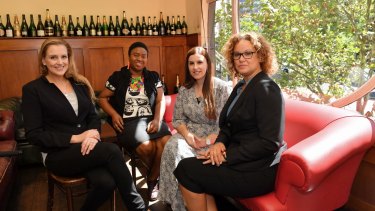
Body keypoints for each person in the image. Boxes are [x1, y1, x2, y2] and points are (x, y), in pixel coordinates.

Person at [21, 38, 146, 211]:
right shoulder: (33, 90)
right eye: (53, 57)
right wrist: (78, 137)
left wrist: (93, 134)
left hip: (87, 148)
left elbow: (93, 117)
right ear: (43, 60)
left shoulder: (79, 84)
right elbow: (34, 135)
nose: (60, 62)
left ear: (69, 58)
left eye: (64, 57)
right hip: (57, 154)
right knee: (112, 150)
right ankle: (138, 207)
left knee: (106, 183)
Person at [173, 32, 287, 211]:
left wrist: (225, 156)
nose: (241, 59)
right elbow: (227, 126)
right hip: (240, 160)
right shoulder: (241, 86)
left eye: (248, 53)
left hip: (258, 170)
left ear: (261, 55)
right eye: (236, 54)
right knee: (190, 167)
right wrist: (218, 144)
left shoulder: (267, 88)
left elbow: (270, 143)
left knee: (186, 170)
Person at [158, 47, 231, 211]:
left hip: (214, 137)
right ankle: (179, 204)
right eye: (191, 63)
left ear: (207, 64)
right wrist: (187, 135)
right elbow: (177, 119)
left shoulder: (221, 88)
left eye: (199, 62)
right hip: (188, 134)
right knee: (172, 148)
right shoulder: (185, 89)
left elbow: (226, 124)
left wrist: (207, 140)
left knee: (188, 162)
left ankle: (190, 200)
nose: (195, 67)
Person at [98, 41, 171, 201]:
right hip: (128, 122)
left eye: (143, 56)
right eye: (135, 55)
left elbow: (160, 100)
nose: (139, 59)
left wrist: (158, 119)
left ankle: (152, 179)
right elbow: (102, 98)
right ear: (129, 57)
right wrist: (114, 114)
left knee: (167, 141)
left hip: (151, 118)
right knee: (147, 147)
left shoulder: (153, 76)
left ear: (147, 58)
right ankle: (159, 179)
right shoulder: (118, 77)